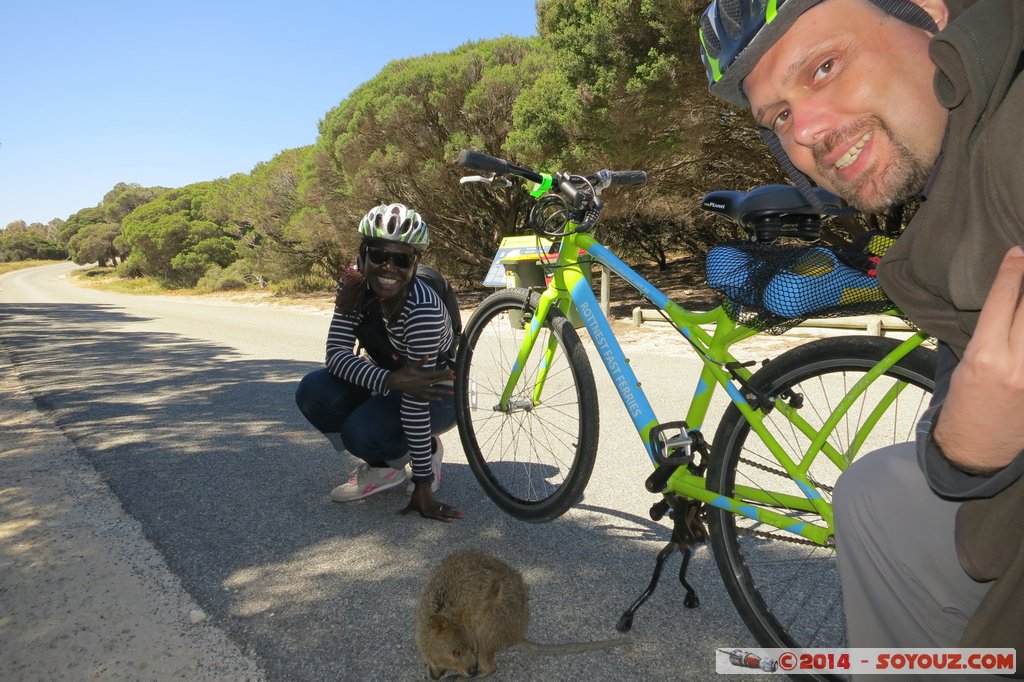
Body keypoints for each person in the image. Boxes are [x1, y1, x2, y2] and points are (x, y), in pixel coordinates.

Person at [698, 0, 1024, 667]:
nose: (808, 131)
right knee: (872, 495)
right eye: (779, 117)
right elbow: (958, 431)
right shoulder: (946, 212)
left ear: (930, 13)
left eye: (824, 66)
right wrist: (962, 449)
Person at [295, 203, 463, 522]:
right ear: (362, 254)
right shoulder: (354, 287)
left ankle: (423, 452)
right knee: (313, 391)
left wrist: (423, 486)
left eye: (401, 258)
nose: (388, 267)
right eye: (378, 255)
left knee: (361, 432)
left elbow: (415, 402)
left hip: (437, 394)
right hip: (390, 379)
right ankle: (386, 467)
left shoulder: (422, 312)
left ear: (415, 262)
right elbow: (336, 356)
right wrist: (387, 381)